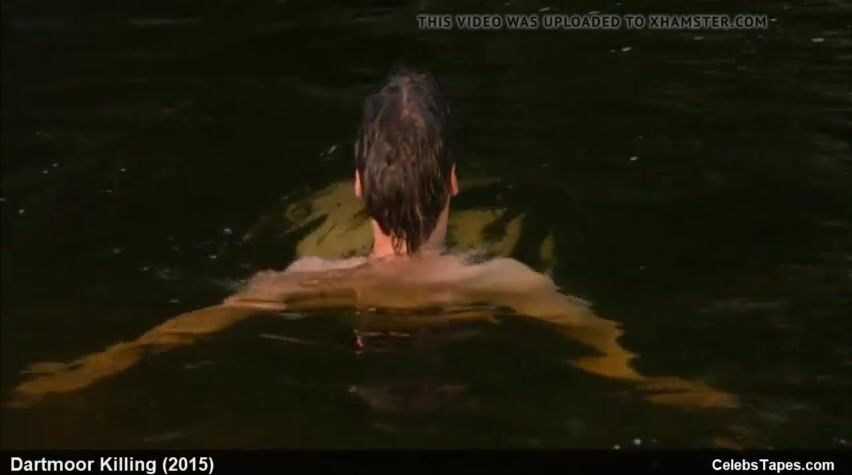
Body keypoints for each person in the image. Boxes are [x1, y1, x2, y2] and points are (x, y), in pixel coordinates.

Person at [6, 68, 737, 410]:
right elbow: (611, 353)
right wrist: (689, 395)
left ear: (358, 187)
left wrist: (88, 368)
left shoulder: (310, 279)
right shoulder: (504, 281)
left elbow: (182, 331)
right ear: (454, 182)